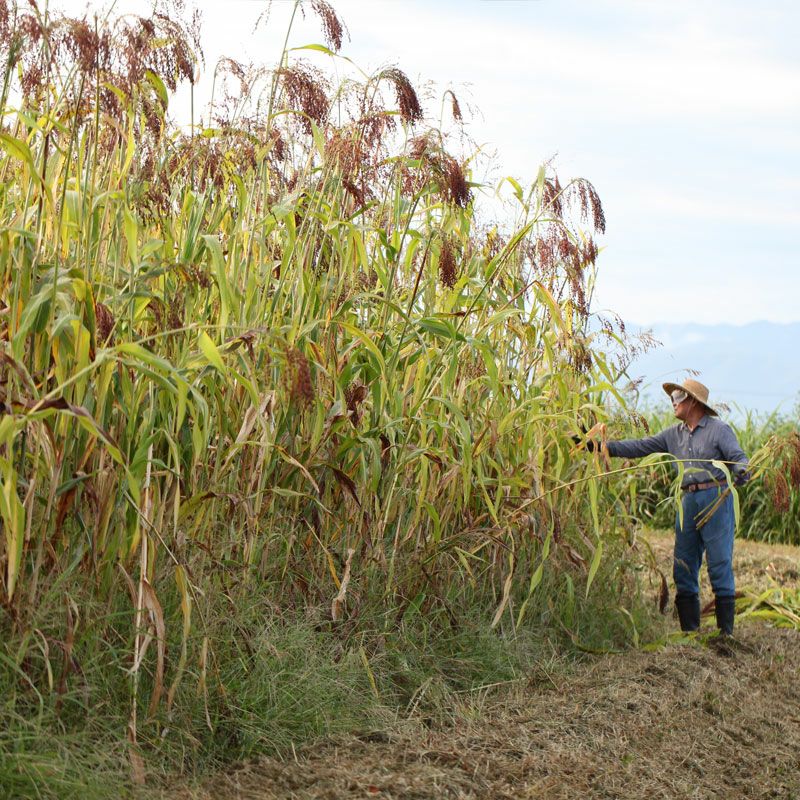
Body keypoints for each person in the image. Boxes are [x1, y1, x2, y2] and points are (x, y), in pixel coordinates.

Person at [593, 379, 749, 637]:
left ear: (693, 401)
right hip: (687, 501)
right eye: (672, 397)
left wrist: (742, 470)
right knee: (683, 565)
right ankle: (690, 633)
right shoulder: (672, 435)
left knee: (719, 563)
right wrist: (601, 447)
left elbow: (738, 459)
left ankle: (726, 635)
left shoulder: (719, 430)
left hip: (717, 498)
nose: (673, 401)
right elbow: (639, 446)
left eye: (678, 396)